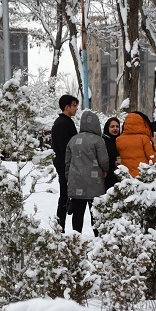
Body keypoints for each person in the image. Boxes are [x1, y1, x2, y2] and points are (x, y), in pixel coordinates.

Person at [65, 113, 110, 235]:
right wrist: (105, 169)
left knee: (77, 214)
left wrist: (68, 177)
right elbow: (104, 161)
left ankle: (76, 237)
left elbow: (67, 162)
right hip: (94, 183)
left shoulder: (73, 140)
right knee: (95, 213)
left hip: (76, 181)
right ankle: (98, 238)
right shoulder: (98, 140)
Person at [50, 95, 79, 228]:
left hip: (67, 166)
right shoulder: (62, 123)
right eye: (74, 105)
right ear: (67, 107)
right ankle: (60, 228)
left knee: (67, 197)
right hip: (66, 167)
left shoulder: (66, 121)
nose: (76, 108)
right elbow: (65, 148)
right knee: (65, 197)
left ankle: (60, 228)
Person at [115, 111, 156, 178]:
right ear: (140, 123)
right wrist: (154, 146)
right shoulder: (144, 138)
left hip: (127, 176)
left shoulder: (118, 140)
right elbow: (153, 159)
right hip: (142, 175)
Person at [102, 116, 122, 189]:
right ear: (108, 128)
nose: (115, 128)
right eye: (112, 126)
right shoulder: (103, 141)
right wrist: (113, 162)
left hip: (119, 175)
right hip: (107, 175)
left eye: (117, 126)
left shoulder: (121, 140)